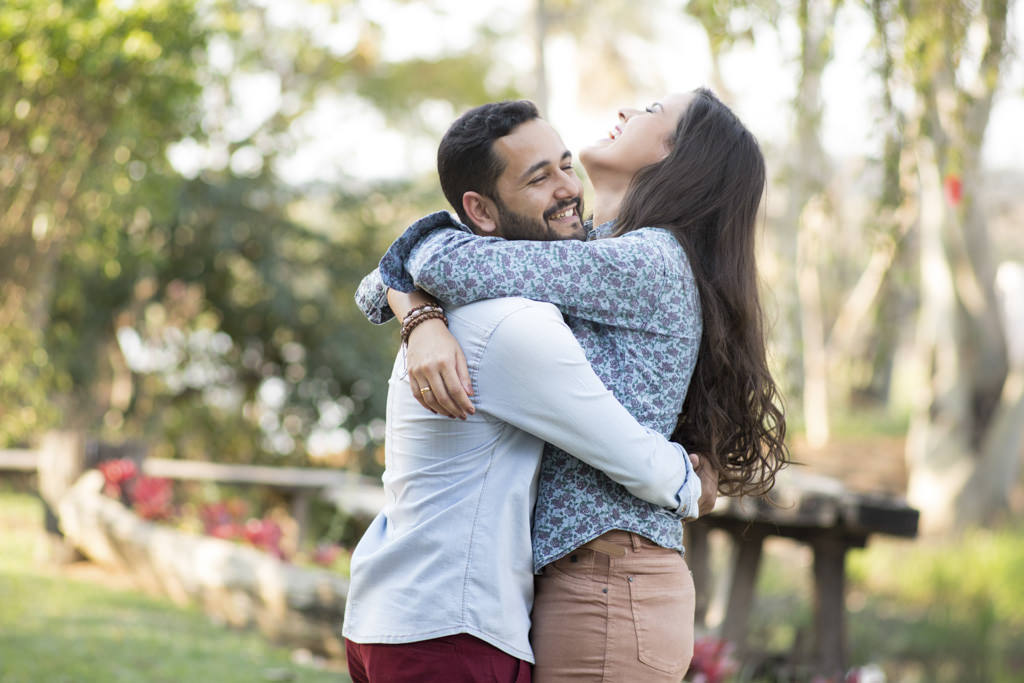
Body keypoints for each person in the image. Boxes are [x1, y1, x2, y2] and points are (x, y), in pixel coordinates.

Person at [376, 88, 789, 682]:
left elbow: (442, 263)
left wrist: (418, 300)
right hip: (579, 581)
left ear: (679, 158)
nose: (625, 110)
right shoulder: (595, 250)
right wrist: (420, 320)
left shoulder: (647, 261)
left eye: (650, 112)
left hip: (608, 586)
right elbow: (392, 274)